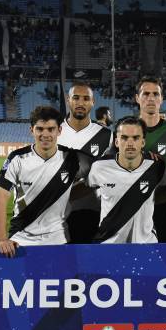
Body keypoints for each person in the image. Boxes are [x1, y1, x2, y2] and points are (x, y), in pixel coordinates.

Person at [0, 106, 93, 258]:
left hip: (59, 239)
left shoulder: (72, 158)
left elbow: (101, 174)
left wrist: (67, 193)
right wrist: (0, 239)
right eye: (40, 129)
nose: (45, 134)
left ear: (59, 131)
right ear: (31, 130)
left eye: (50, 129)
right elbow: (0, 199)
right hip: (20, 240)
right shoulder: (17, 158)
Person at [88, 117, 166, 243]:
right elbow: (88, 188)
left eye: (136, 138)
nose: (130, 143)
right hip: (109, 244)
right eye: (124, 138)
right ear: (116, 142)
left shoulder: (156, 166)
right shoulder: (99, 167)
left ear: (143, 142)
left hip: (146, 244)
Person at [58, 82, 113, 243]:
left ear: (93, 102)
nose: (81, 103)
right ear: (68, 100)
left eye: (86, 98)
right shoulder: (54, 132)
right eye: (76, 98)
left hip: (93, 213)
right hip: (55, 216)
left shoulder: (106, 136)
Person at [136, 76, 166, 243]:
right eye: (146, 94)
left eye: (156, 94)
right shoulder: (125, 129)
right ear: (137, 98)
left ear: (162, 99)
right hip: (131, 211)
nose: (151, 98)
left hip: (164, 209)